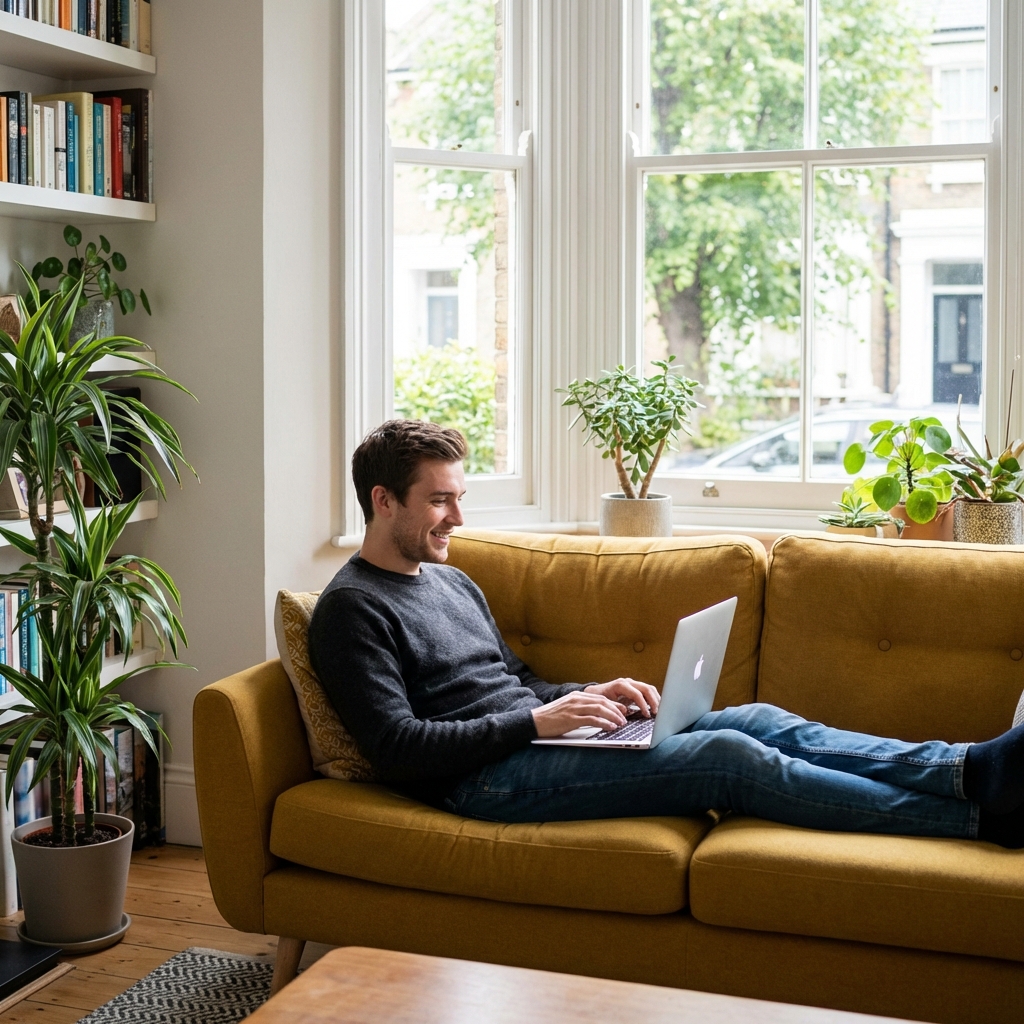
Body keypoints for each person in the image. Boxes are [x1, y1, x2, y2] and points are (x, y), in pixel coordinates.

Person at [308, 419, 1024, 848]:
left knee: (755, 719)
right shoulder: (352, 610)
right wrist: (535, 723)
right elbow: (398, 748)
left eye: (460, 498)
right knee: (727, 759)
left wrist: (595, 696)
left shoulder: (451, 581)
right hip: (484, 783)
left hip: (537, 744)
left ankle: (969, 771)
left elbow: (517, 681)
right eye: (440, 501)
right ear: (383, 500)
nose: (459, 520)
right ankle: (978, 823)